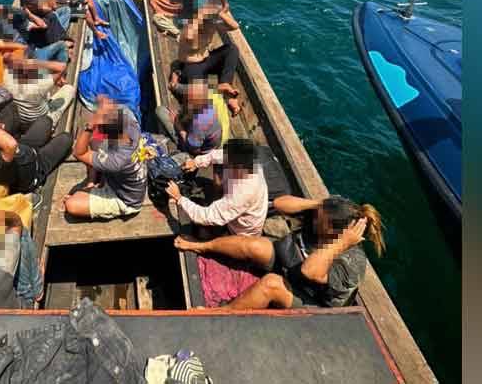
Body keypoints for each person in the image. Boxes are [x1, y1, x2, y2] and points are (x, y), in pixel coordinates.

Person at [174, 195, 385, 309]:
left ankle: (221, 313)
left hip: (310, 300)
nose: (314, 219)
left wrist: (339, 244)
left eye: (319, 220)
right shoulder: (323, 216)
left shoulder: (352, 262)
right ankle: (201, 246)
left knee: (271, 284)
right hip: (289, 263)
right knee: (253, 245)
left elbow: (311, 272)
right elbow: (279, 203)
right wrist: (318, 204)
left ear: (333, 231)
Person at [63, 96, 147, 220]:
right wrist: (105, 106)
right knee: (93, 140)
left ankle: (97, 186)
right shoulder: (131, 124)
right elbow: (110, 103)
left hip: (124, 199)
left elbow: (78, 153)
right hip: (125, 180)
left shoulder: (118, 161)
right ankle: (92, 181)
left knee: (71, 205)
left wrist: (92, 123)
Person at [166, 138, 267, 237]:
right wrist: (196, 162)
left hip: (239, 231)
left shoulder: (243, 193)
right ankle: (217, 201)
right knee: (218, 165)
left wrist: (179, 198)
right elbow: (218, 155)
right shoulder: (248, 162)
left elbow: (207, 217)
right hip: (234, 204)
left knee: (202, 232)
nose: (225, 160)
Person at [0, 107, 72, 194]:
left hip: (24, 146)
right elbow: (11, 145)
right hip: (36, 167)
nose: (3, 125)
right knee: (66, 138)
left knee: (46, 120)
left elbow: (13, 145)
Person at [172, 0, 242, 114]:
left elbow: (235, 26)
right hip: (191, 66)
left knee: (232, 49)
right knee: (197, 93)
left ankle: (225, 83)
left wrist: (220, 13)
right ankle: (222, 93)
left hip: (206, 60)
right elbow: (190, 37)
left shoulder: (212, 22)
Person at [2, 55, 75, 137]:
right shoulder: (40, 84)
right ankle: (51, 127)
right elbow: (62, 66)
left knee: (45, 93)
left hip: (20, 118)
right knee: (69, 89)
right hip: (40, 120)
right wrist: (32, 62)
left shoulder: (6, 76)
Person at [156, 80, 223, 156]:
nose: (184, 101)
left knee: (161, 111)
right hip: (201, 137)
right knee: (173, 113)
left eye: (187, 101)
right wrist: (175, 86)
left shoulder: (200, 123)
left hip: (197, 151)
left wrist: (178, 125)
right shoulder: (208, 106)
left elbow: (193, 149)